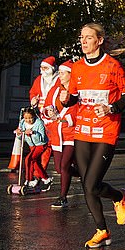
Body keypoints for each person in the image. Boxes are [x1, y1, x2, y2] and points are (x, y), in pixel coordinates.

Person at [59, 23, 125, 248]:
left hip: (105, 131)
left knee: (91, 185)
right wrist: (66, 99)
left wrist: (111, 108)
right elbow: (73, 98)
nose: (83, 41)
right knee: (87, 184)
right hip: (82, 130)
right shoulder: (78, 67)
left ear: (99, 40)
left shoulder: (112, 66)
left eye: (88, 37)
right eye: (81, 37)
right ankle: (102, 230)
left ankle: (119, 197)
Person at [49, 61, 79, 209]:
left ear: (70, 74)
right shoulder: (55, 89)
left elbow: (79, 110)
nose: (59, 75)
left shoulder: (77, 91)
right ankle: (81, 174)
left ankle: (62, 197)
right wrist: (48, 112)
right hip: (57, 133)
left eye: (62, 73)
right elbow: (48, 104)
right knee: (59, 169)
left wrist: (65, 118)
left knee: (65, 164)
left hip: (71, 134)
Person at [29, 56, 59, 175]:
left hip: (54, 117)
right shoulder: (38, 79)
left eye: (45, 68)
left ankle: (40, 172)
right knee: (42, 144)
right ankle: (38, 172)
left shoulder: (59, 79)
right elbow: (33, 93)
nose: (43, 70)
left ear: (51, 68)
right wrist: (33, 100)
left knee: (49, 145)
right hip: (41, 116)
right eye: (41, 68)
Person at [16, 108, 49, 191]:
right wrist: (18, 133)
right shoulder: (22, 122)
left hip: (40, 144)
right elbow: (20, 136)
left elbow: (42, 138)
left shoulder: (39, 123)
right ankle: (46, 179)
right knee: (35, 162)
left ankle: (29, 180)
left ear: (34, 116)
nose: (28, 120)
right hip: (31, 144)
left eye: (30, 118)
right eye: (26, 118)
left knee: (29, 159)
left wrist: (33, 133)